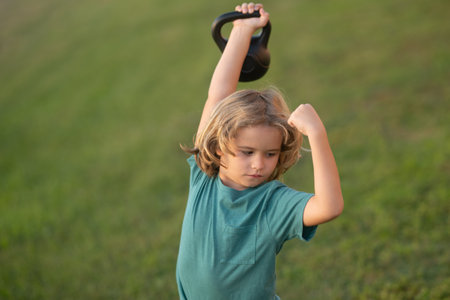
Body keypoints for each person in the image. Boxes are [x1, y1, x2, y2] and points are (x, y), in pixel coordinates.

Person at [176, 3, 344, 299]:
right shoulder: (204, 177)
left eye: (270, 154)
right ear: (219, 145)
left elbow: (328, 207)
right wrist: (241, 32)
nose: (258, 164)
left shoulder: (272, 203)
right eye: (246, 151)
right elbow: (219, 94)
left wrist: (317, 135)